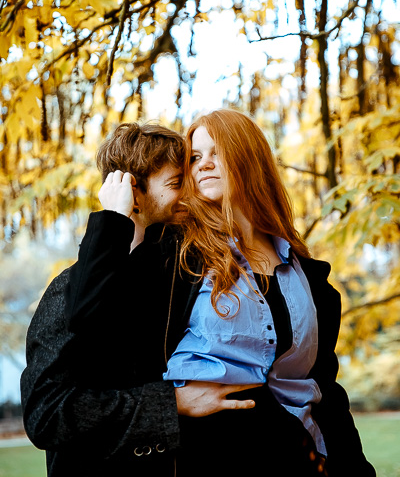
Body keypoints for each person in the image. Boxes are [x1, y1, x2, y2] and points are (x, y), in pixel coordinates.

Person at [21, 121, 257, 477]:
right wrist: (171, 403)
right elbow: (47, 415)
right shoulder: (67, 289)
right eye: (177, 184)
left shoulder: (185, 273)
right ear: (133, 190)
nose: (190, 194)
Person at [163, 109, 376, 477]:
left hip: (306, 457)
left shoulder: (304, 270)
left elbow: (323, 383)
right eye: (195, 157)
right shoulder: (181, 255)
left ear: (248, 156)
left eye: (217, 152)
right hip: (217, 457)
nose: (203, 165)